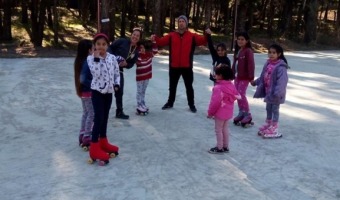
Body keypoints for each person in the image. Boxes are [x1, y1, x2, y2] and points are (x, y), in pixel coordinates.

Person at [151, 15, 207, 113]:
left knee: (189, 87)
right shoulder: (171, 35)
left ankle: (191, 104)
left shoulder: (192, 36)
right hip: (174, 66)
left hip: (187, 67)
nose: (181, 23)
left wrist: (207, 34)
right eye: (180, 21)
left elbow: (203, 40)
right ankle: (170, 102)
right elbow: (160, 42)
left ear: (186, 23)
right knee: (172, 86)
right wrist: (154, 37)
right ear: (178, 24)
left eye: (183, 21)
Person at [87, 33, 122, 165]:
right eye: (98, 44)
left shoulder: (112, 58)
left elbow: (116, 73)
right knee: (99, 118)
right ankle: (94, 147)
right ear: (94, 46)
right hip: (97, 92)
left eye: (103, 44)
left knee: (106, 117)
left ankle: (103, 141)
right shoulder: (90, 59)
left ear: (107, 45)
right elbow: (95, 74)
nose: (101, 47)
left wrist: (117, 84)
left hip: (109, 93)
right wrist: (96, 59)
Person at [251, 44, 289, 138]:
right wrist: (255, 82)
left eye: (274, 53)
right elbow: (263, 76)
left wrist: (278, 93)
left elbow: (282, 81)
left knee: (275, 110)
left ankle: (274, 127)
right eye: (270, 52)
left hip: (276, 94)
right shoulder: (268, 64)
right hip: (269, 93)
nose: (271, 55)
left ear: (279, 54)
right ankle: (269, 124)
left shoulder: (281, 67)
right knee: (268, 109)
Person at [108, 28, 142, 119]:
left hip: (119, 71)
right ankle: (102, 111)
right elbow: (110, 47)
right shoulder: (122, 41)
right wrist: (113, 57)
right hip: (108, 68)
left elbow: (132, 63)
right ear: (131, 35)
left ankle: (119, 112)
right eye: (134, 34)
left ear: (139, 38)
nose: (135, 37)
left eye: (137, 36)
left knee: (119, 91)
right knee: (106, 90)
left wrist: (127, 64)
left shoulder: (136, 51)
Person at [207, 64, 241, 154]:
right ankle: (225, 146)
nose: (215, 75)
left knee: (218, 130)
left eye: (216, 74)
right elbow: (236, 95)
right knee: (225, 129)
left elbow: (215, 103)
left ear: (221, 75)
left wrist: (210, 113)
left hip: (220, 113)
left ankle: (219, 147)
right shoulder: (231, 85)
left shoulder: (218, 88)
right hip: (228, 112)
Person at [231, 32, 255, 126]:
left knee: (241, 94)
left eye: (242, 39)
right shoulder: (238, 51)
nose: (240, 41)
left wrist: (251, 78)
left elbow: (251, 65)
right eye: (239, 39)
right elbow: (234, 64)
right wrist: (231, 74)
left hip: (245, 77)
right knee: (237, 95)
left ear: (247, 41)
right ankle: (241, 112)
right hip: (237, 76)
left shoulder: (248, 51)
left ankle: (247, 114)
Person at [74, 39, 94, 149]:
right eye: (93, 49)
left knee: (86, 113)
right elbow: (83, 79)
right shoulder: (86, 61)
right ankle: (87, 136)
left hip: (83, 92)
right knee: (92, 114)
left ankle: (82, 134)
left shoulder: (79, 60)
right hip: (89, 92)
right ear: (89, 50)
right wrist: (94, 84)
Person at [135, 39, 158, 115]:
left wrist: (154, 41)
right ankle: (139, 105)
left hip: (147, 76)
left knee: (143, 91)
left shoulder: (149, 54)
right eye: (140, 47)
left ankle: (142, 103)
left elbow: (155, 50)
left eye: (143, 47)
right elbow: (136, 60)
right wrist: (137, 52)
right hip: (140, 77)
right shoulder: (138, 56)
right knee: (139, 91)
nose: (142, 49)